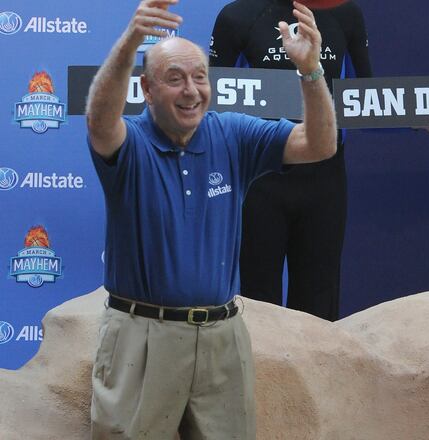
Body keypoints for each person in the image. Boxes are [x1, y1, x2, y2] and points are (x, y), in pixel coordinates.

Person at [85, 0, 335, 437]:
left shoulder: (231, 132)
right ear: (146, 88)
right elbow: (99, 121)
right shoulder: (131, 143)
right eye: (175, 79)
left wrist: (311, 72)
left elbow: (318, 144)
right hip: (142, 338)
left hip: (222, 338)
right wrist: (129, 44)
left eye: (200, 77)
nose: (191, 90)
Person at [209, 0, 429, 321]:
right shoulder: (238, 15)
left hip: (325, 178)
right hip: (259, 178)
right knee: (257, 298)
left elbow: (365, 99)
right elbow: (210, 96)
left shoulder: (345, 13)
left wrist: (420, 118)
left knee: (319, 298)